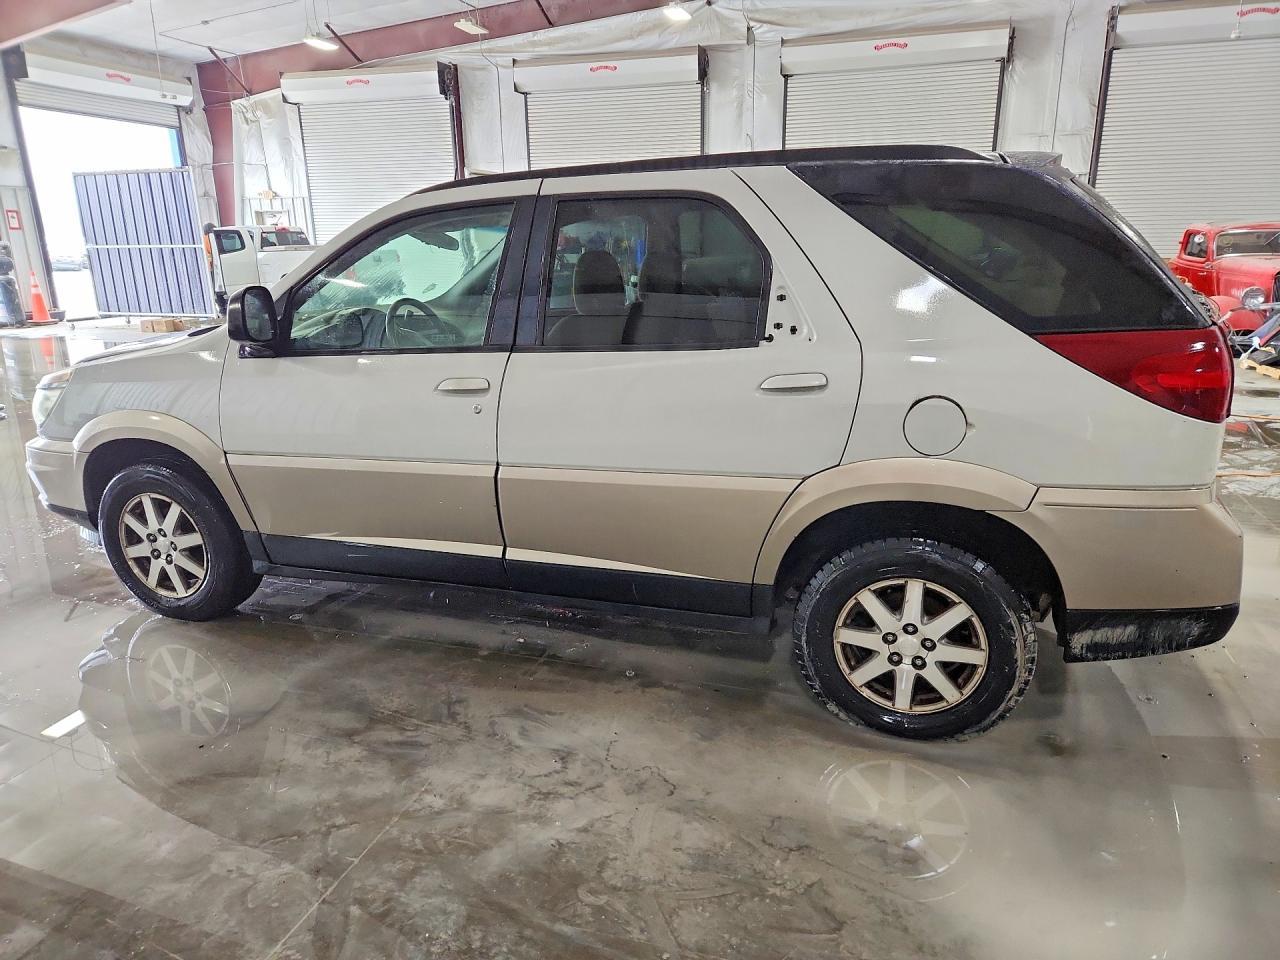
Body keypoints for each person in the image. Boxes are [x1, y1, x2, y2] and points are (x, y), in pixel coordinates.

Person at [0, 241, 19, 327]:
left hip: (4, 278)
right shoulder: (5, 246)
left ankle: (11, 319)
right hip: (6, 277)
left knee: (8, 299)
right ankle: (15, 319)